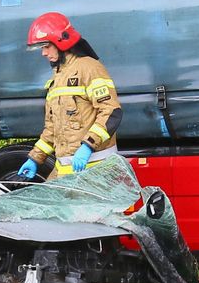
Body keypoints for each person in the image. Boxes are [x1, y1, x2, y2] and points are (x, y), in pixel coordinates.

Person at [19, 12, 122, 180]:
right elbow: (52, 128)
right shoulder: (57, 78)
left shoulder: (89, 68)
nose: (43, 53)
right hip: (67, 174)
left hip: (96, 174)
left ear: (61, 42)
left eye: (46, 46)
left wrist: (88, 145)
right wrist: (35, 159)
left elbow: (111, 111)